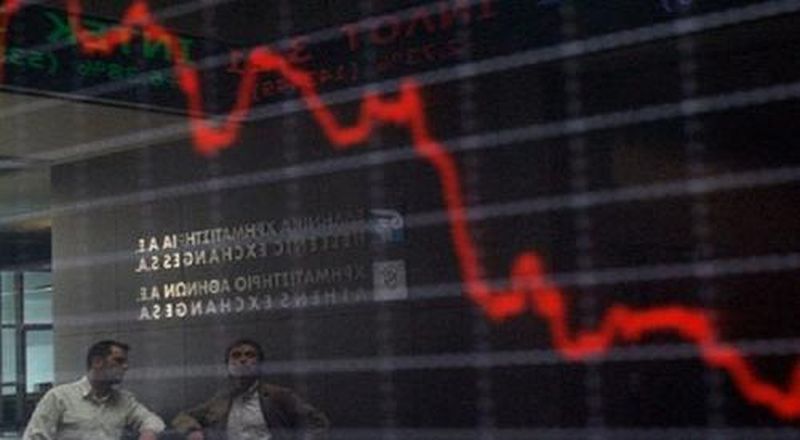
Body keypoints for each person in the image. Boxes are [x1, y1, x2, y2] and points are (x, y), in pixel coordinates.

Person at [171, 339, 329, 440]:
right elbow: (181, 417)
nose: (243, 360)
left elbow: (318, 422)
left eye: (250, 355)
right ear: (228, 366)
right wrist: (193, 431)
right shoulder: (220, 401)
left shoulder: (278, 395)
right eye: (236, 356)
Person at [23, 339, 165, 440]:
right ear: (97, 362)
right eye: (119, 361)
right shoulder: (60, 397)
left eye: (126, 362)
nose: (125, 367)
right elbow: (35, 437)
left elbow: (152, 420)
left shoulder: (124, 400)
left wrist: (149, 433)